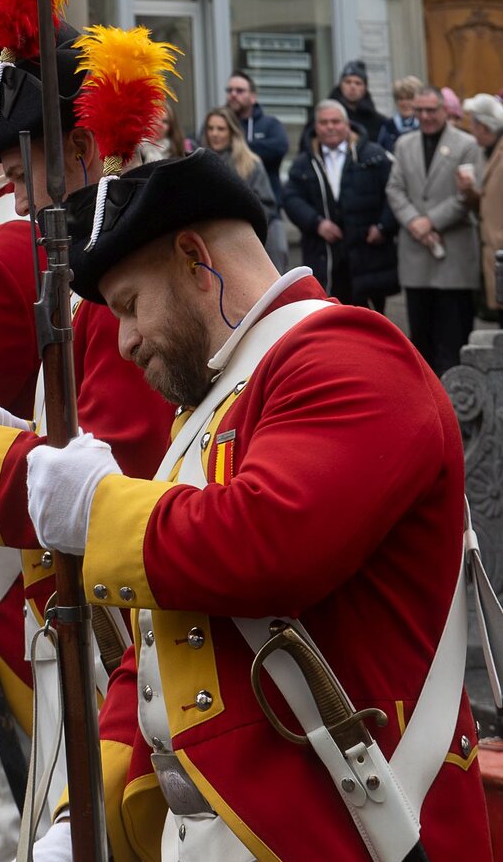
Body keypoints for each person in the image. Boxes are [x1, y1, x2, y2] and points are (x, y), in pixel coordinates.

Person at [27, 150, 483, 859]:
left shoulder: (348, 354)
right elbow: (162, 638)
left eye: (131, 305)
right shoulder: (219, 402)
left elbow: (266, 543)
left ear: (193, 259)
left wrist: (96, 507)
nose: (124, 341)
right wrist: (79, 812)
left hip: (345, 831)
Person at [386, 86, 484, 377]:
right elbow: (394, 189)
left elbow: (468, 195)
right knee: (421, 340)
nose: (425, 116)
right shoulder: (404, 144)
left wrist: (430, 221)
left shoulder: (466, 144)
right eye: (419, 110)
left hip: (453, 254)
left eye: (431, 110)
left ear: (444, 110)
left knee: (454, 339)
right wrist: (414, 222)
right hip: (416, 253)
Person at [282, 99, 398, 311]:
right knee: (332, 314)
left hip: (368, 253)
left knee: (369, 318)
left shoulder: (373, 156)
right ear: (316, 127)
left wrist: (383, 227)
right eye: (324, 122)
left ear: (347, 124)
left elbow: (394, 193)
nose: (330, 127)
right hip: (326, 255)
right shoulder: (304, 163)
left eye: (335, 122)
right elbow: (291, 198)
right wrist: (317, 223)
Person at [199, 106, 286, 269]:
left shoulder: (250, 163)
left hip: (248, 242)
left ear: (232, 132)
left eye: (221, 129)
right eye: (210, 128)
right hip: (209, 242)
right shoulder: (198, 164)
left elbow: (267, 205)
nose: (214, 134)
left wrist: (239, 223)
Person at [458, 92, 503, 311]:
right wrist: (469, 192)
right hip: (495, 255)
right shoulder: (489, 153)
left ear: (484, 126)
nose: (471, 129)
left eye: (473, 124)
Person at [223, 70, 289, 196]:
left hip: (265, 199)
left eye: (239, 91)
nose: (233, 94)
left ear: (253, 97)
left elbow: (279, 147)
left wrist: (237, 148)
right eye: (229, 90)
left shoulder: (270, 124)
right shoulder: (218, 124)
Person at [326, 58, 387, 143]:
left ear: (365, 88)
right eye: (348, 82)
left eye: (358, 83)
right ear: (340, 85)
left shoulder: (378, 122)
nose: (352, 87)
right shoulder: (325, 116)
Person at [377, 75, 423, 150]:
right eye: (400, 99)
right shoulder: (388, 126)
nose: (404, 103)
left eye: (409, 98)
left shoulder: (425, 124)